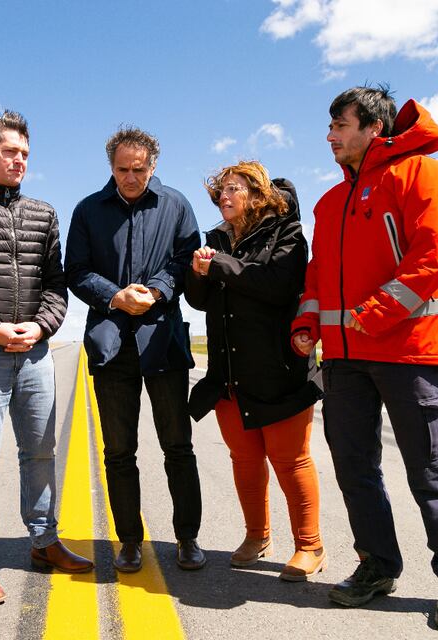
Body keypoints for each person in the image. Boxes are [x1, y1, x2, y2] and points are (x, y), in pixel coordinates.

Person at [291, 85, 438, 630]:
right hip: (345, 359)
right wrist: (308, 322)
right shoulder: (330, 202)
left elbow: (433, 255)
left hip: (408, 351)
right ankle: (377, 564)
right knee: (355, 467)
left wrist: (375, 313)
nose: (330, 135)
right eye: (330, 125)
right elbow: (318, 275)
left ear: (373, 127)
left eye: (340, 124)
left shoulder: (426, 174)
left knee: (429, 470)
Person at [0, 110, 93, 605]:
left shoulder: (43, 212)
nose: (19, 161)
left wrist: (41, 326)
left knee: (40, 453)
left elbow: (56, 285)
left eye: (25, 154)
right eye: (10, 152)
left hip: (35, 352)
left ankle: (44, 541)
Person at [65, 127, 204, 572]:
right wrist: (115, 295)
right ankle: (128, 540)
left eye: (138, 170)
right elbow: (76, 270)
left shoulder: (177, 205)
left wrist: (159, 291)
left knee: (177, 446)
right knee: (119, 451)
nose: (130, 177)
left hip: (162, 339)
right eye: (122, 169)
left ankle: (187, 538)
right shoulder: (88, 210)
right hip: (111, 344)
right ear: (111, 166)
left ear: (153, 165)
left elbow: (187, 259)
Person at [185, 161, 325, 580]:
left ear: (258, 195)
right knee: (244, 460)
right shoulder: (215, 240)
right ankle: (256, 536)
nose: (224, 197)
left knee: (291, 460)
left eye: (234, 189)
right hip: (229, 373)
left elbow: (277, 285)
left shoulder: (288, 234)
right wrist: (198, 271)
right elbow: (199, 301)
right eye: (221, 191)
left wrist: (220, 266)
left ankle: (309, 545)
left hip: (279, 370)